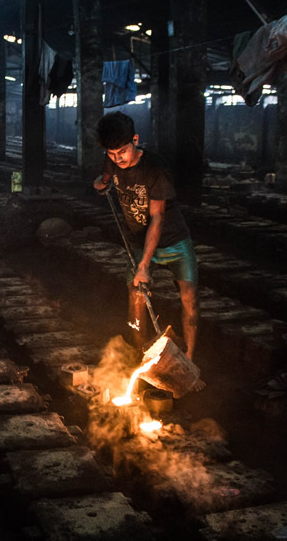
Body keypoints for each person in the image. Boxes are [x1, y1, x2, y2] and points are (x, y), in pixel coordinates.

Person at [92, 112, 202, 383]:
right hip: (138, 242)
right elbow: (105, 176)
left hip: (173, 240)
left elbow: (158, 218)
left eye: (123, 151)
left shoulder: (156, 168)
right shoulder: (112, 159)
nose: (119, 159)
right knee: (136, 296)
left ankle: (187, 361)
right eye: (112, 153)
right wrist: (102, 183)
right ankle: (142, 352)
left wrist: (144, 266)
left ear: (136, 140)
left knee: (190, 299)